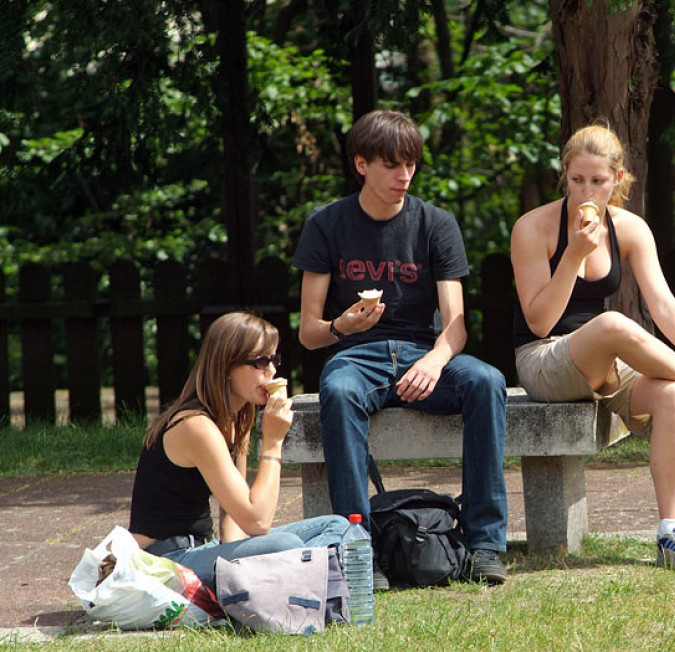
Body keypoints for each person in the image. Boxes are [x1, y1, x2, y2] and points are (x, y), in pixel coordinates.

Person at [510, 123, 675, 570]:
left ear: (617, 180)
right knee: (614, 322)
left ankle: (670, 531)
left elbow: (664, 305)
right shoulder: (533, 227)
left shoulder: (630, 229)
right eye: (577, 180)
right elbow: (539, 322)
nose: (586, 192)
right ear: (564, 174)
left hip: (603, 361)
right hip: (544, 361)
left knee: (669, 394)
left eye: (597, 181)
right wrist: (575, 254)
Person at [294, 109, 509, 589]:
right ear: (362, 165)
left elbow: (456, 325)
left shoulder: (436, 223)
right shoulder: (327, 225)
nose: (404, 175)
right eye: (392, 164)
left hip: (421, 354)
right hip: (357, 355)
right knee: (340, 390)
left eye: (410, 163)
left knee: (486, 381)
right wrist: (342, 324)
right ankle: (359, 551)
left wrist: (435, 360)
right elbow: (309, 332)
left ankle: (484, 544)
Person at [128, 311, 349, 591]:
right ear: (225, 368)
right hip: (165, 563)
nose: (271, 371)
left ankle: (287, 575)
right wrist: (272, 441)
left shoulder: (236, 417)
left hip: (203, 550)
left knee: (338, 526)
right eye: (260, 362)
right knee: (286, 545)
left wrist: (241, 555)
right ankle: (304, 575)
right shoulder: (196, 426)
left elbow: (233, 515)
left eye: (274, 360)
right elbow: (258, 521)